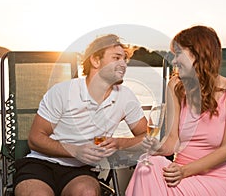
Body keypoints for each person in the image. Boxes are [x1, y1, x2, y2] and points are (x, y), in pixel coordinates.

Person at [13, 34, 147, 196]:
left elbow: (146, 137)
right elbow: (35, 139)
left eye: (125, 59)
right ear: (96, 61)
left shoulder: (125, 97)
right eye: (116, 58)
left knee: (87, 192)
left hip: (80, 170)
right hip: (41, 163)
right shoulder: (62, 92)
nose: (123, 64)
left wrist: (119, 142)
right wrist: (75, 151)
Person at [126, 25, 226, 196]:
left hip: (215, 180)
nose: (174, 61)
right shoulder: (175, 86)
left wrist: (185, 171)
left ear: (198, 54)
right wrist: (158, 148)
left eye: (178, 54)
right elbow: (173, 141)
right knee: (147, 163)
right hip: (177, 173)